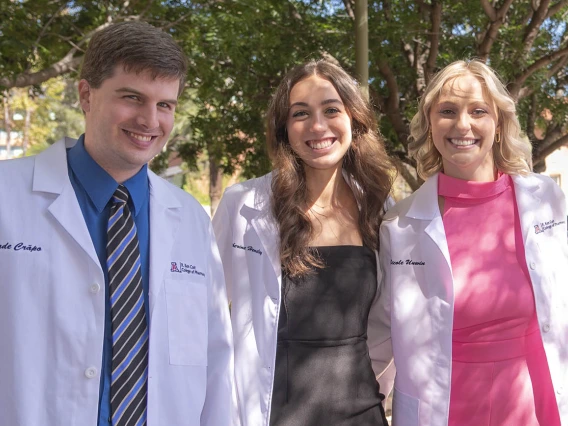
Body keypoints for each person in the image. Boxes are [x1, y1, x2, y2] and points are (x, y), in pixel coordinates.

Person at [0, 21, 235, 426]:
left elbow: (215, 360)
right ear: (86, 95)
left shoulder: (191, 217)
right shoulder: (7, 195)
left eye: (166, 105)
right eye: (132, 98)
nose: (150, 121)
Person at [379, 59, 567, 425]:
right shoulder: (400, 225)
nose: (462, 124)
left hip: (532, 402)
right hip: (443, 408)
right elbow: (381, 333)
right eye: (447, 111)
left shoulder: (546, 200)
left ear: (497, 124)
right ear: (431, 124)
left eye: (478, 111)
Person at [212, 60, 395, 426]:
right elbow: (207, 314)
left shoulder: (379, 205)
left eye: (331, 110)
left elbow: (386, 321)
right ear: (284, 128)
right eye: (300, 114)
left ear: (354, 120)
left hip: (362, 413)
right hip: (273, 413)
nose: (317, 126)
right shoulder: (243, 204)